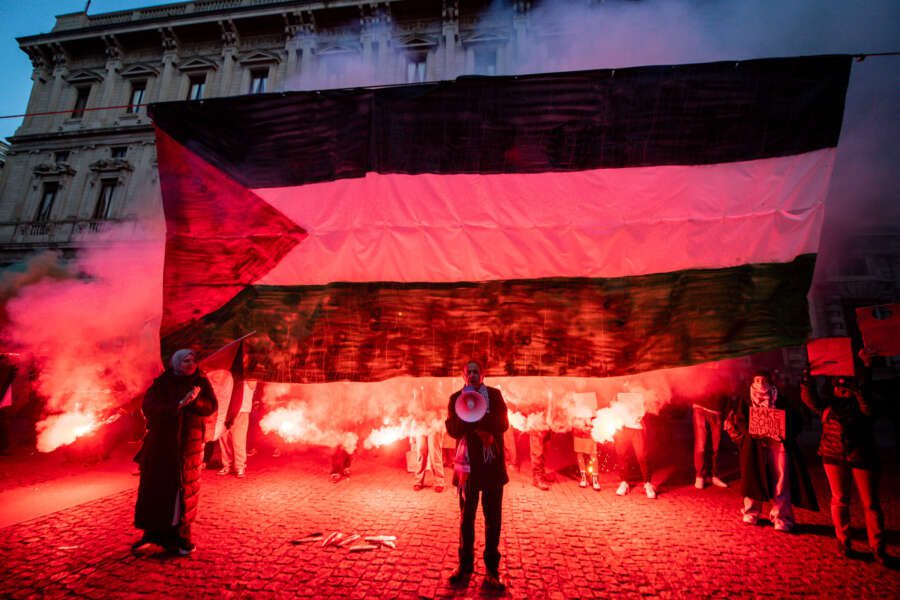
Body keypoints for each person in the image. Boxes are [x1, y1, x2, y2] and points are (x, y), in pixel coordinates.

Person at [800, 351, 887, 564]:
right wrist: (806, 378)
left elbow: (869, 409)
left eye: (845, 386)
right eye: (838, 386)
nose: (842, 390)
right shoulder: (827, 407)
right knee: (839, 500)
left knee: (871, 503)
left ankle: (877, 546)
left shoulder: (863, 402)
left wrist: (858, 389)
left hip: (862, 455)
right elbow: (809, 399)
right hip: (833, 455)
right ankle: (844, 541)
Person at [132, 349, 218, 556]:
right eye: (186, 360)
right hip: (161, 445)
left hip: (188, 447)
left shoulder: (201, 382)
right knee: (156, 490)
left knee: (182, 493)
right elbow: (149, 406)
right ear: (176, 362)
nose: (190, 364)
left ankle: (180, 539)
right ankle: (152, 535)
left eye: (193, 360)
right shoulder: (163, 382)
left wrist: (195, 402)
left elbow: (211, 406)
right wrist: (176, 406)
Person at [727, 369, 817, 532]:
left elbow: (795, 420)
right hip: (755, 446)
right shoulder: (747, 400)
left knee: (781, 481)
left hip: (778, 445)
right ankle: (751, 511)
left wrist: (784, 433)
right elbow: (740, 419)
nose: (761, 384)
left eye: (763, 380)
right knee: (754, 477)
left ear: (770, 381)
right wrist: (751, 432)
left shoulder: (781, 399)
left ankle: (781, 516)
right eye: (757, 380)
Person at [446, 361, 509, 592]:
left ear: (483, 375)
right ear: (464, 375)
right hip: (468, 470)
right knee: (466, 520)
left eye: (476, 371)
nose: (472, 375)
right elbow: (452, 429)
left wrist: (483, 420)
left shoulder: (494, 395)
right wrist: (467, 412)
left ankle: (492, 571)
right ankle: (464, 566)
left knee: (493, 522)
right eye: (468, 372)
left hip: (491, 466)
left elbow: (503, 424)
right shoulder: (456, 398)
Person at [217, 380, 258, 478]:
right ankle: (227, 465)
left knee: (238, 439)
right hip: (225, 407)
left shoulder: (250, 374)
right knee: (224, 438)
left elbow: (252, 384)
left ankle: (239, 466)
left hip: (241, 409)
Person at [692, 393, 730, 489]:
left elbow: (729, 389)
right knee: (701, 445)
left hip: (717, 410)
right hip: (700, 407)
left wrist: (727, 413)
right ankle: (700, 476)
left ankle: (715, 475)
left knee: (717, 445)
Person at [614, 421, 656, 499]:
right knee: (621, 454)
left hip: (638, 428)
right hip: (623, 428)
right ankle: (624, 482)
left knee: (642, 456)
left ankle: (647, 483)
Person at [573, 417, 600, 491]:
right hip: (578, 433)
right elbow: (572, 418)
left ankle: (595, 480)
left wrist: (591, 427)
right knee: (579, 455)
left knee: (593, 456)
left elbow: (597, 418)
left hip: (590, 434)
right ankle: (583, 479)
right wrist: (579, 427)